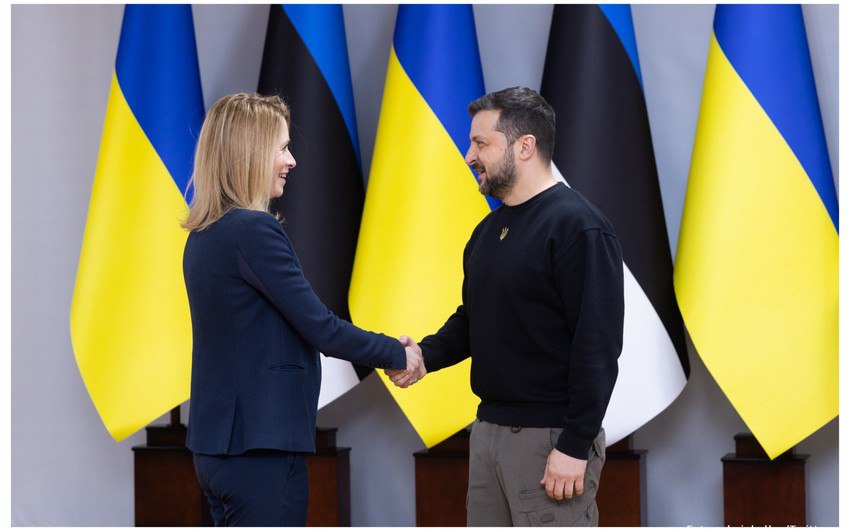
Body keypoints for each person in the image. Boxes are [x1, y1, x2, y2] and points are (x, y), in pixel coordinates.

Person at [181, 93, 422, 526]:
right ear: (250, 153)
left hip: (218, 450)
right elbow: (321, 328)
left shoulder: (204, 235)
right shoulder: (253, 231)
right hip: (260, 450)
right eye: (282, 148)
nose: (291, 161)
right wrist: (397, 353)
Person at [389, 87, 624, 526]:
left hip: (550, 440)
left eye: (480, 143)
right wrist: (422, 356)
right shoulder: (486, 232)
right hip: (487, 433)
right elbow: (473, 320)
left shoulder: (579, 226)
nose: (468, 156)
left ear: (525, 146)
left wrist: (575, 444)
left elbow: (597, 345)